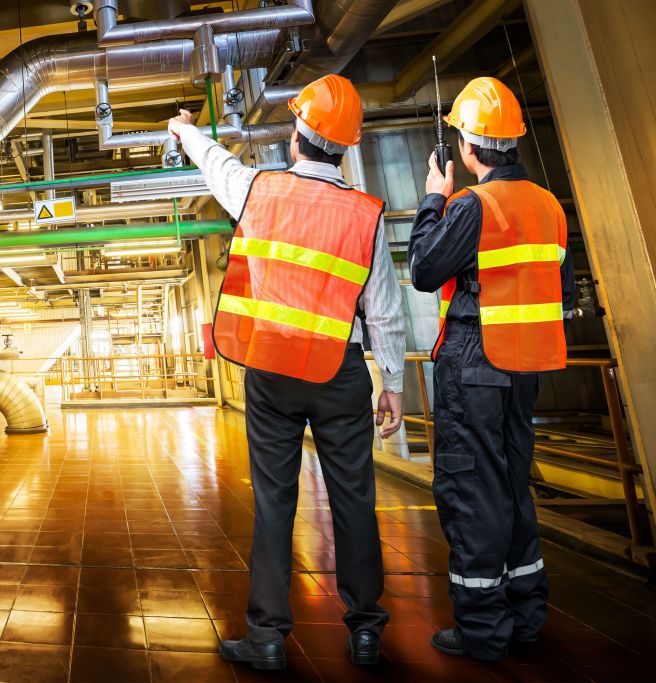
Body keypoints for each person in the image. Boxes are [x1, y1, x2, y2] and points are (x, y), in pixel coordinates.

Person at [168, 74, 406, 670]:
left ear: (296, 137)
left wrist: (187, 130)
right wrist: (394, 383)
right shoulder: (365, 214)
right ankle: (367, 630)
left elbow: (217, 165)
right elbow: (383, 307)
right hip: (339, 371)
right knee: (354, 499)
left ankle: (269, 636)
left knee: (276, 501)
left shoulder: (260, 190)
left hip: (273, 371)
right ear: (346, 147)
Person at [407, 76, 575, 661]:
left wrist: (433, 198)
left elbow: (425, 269)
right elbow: (565, 297)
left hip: (475, 362)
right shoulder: (549, 206)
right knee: (511, 487)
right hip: (525, 366)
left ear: (470, 149)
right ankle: (527, 615)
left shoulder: (475, 205)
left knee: (471, 491)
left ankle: (482, 629)